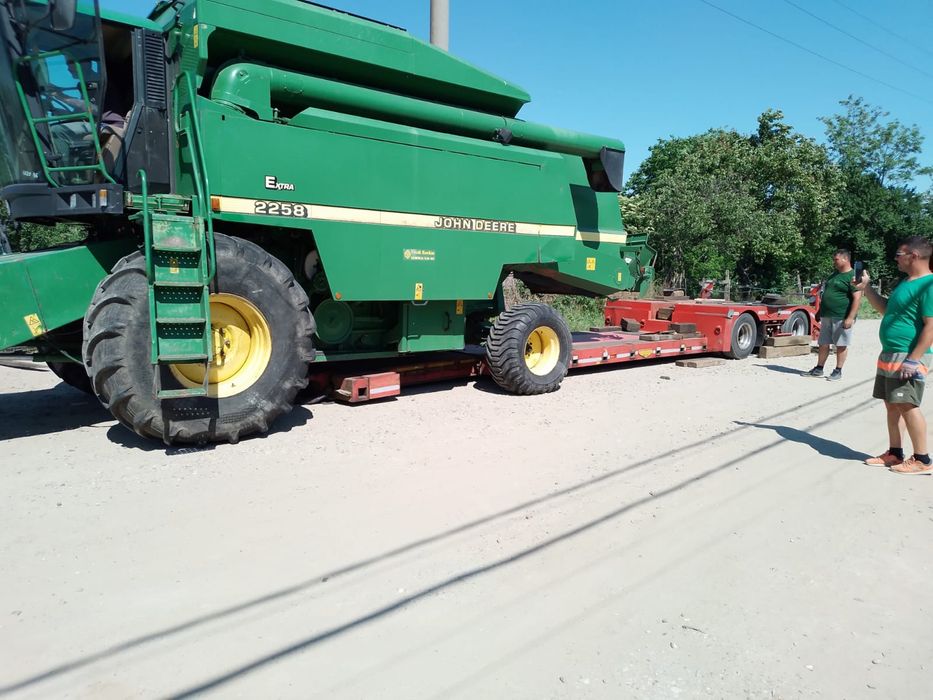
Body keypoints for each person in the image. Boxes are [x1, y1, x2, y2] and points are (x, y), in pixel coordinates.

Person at [856, 236, 933, 475]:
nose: (896, 258)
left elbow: (931, 326)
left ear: (914, 255)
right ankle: (894, 453)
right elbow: (885, 309)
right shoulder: (906, 283)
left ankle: (922, 459)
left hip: (908, 355)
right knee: (891, 404)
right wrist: (866, 287)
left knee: (906, 403)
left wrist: (914, 358)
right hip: (890, 353)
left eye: (899, 254)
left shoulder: (928, 284)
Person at [805, 249, 862, 381]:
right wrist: (820, 312)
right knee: (823, 343)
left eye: (836, 259)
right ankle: (819, 368)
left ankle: (838, 370)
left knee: (841, 344)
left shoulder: (852, 276)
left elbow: (857, 298)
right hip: (827, 315)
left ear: (845, 259)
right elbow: (827, 293)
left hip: (841, 316)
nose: (834, 262)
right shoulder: (834, 275)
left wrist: (850, 318)